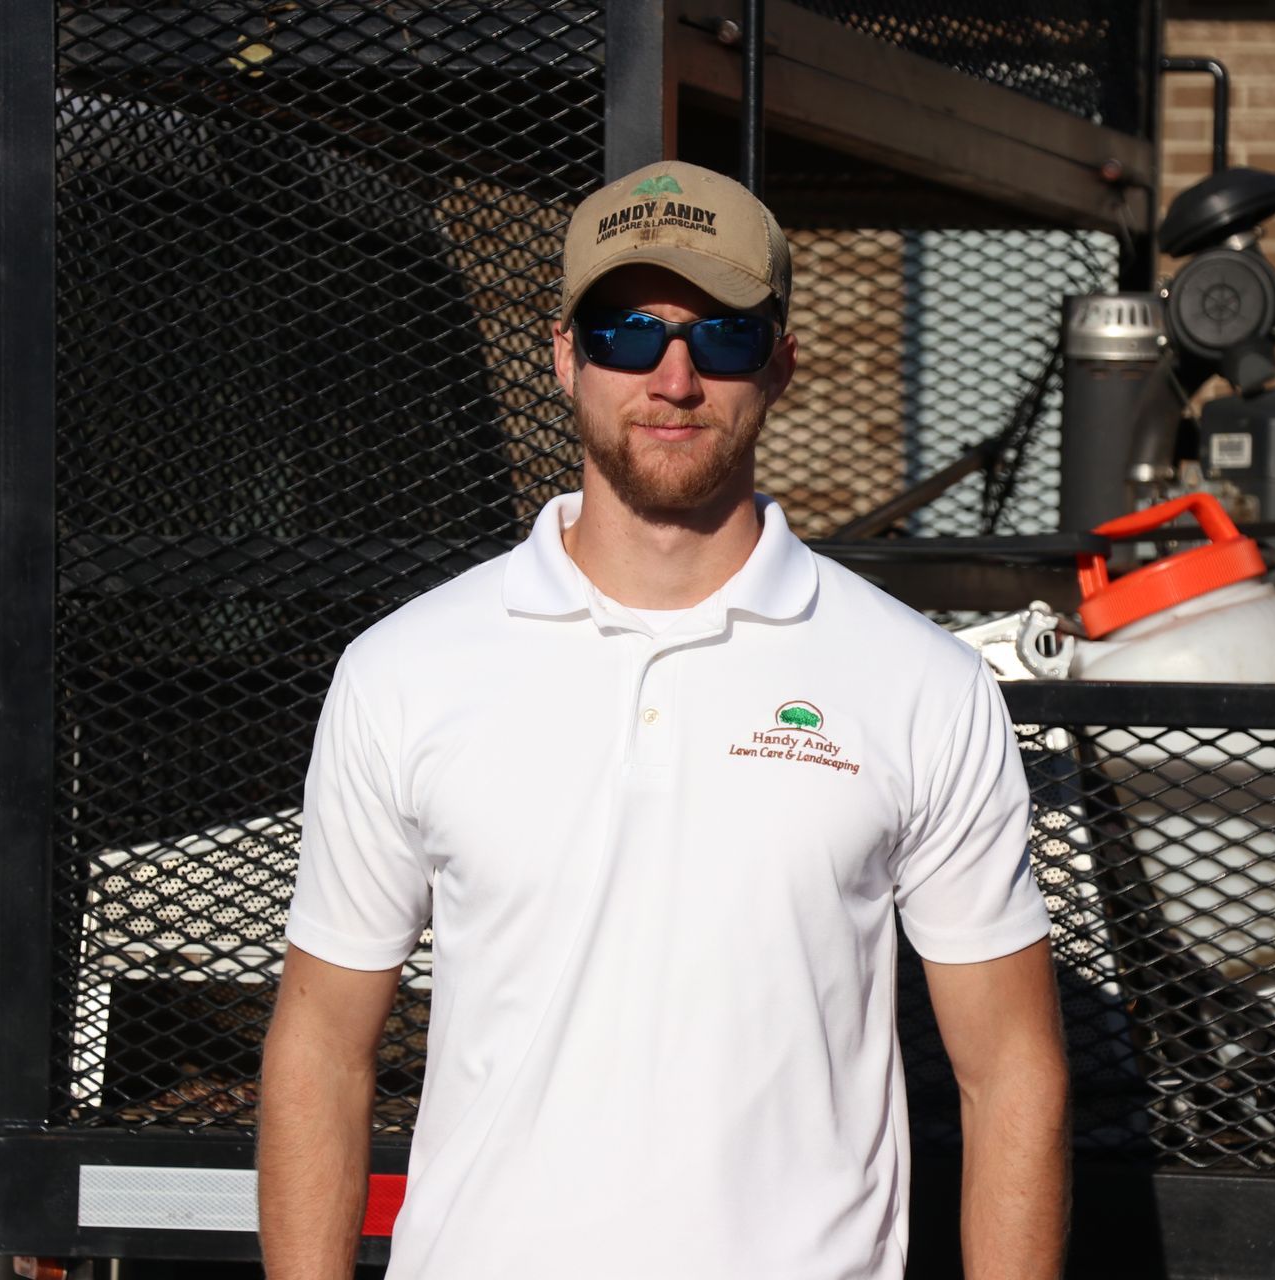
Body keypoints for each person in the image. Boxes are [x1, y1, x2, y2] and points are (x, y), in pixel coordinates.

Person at [258, 160, 1069, 1280]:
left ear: (780, 363)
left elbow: (1012, 1068)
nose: (674, 376)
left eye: (722, 336)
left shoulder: (919, 682)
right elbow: (321, 1046)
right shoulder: (405, 669)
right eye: (627, 333)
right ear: (564, 356)